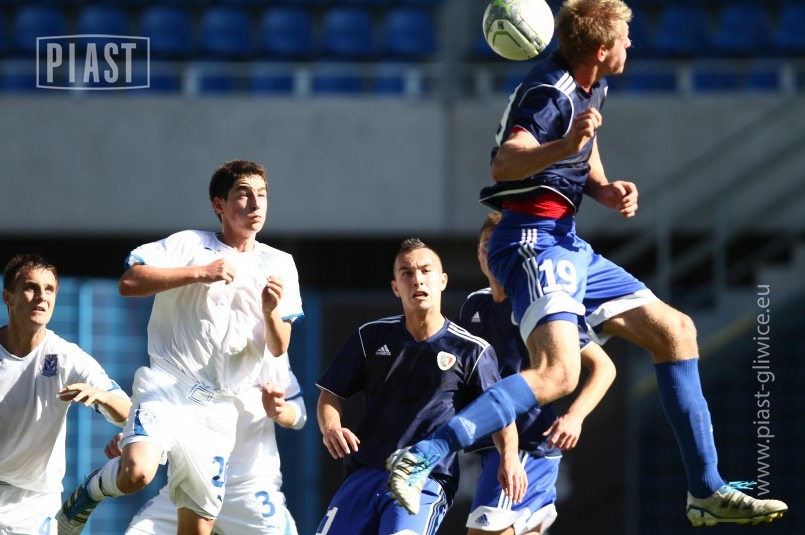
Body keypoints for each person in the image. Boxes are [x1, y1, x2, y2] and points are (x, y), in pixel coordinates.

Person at [387, 0, 787, 527]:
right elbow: (506, 161)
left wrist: (602, 188)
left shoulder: (590, 82)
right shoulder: (550, 91)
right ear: (600, 50)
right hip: (530, 241)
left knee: (676, 332)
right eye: (624, 38)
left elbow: (584, 141)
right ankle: (423, 455)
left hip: (567, 241)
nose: (631, 45)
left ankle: (705, 491)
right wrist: (564, 145)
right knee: (558, 374)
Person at [56, 160, 304, 535]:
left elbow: (279, 345)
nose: (255, 204)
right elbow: (129, 282)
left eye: (262, 195)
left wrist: (270, 311)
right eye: (243, 194)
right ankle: (92, 490)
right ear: (219, 205)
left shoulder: (281, 264)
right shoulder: (188, 243)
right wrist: (201, 272)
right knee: (137, 473)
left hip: (218, 410)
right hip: (168, 386)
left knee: (195, 529)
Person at [315, 238, 524, 534]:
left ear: (442, 281)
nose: (417, 280)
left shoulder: (472, 350)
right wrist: (331, 428)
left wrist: (509, 457)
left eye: (426, 271)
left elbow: (500, 412)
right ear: (395, 287)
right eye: (407, 273)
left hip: (424, 478)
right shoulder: (371, 336)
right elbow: (330, 394)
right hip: (364, 475)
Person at [462, 212, 616, 535]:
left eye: (498, 244)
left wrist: (575, 416)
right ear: (478, 252)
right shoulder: (474, 306)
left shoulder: (538, 303)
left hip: (527, 445)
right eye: (486, 244)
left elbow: (604, 366)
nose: (490, 251)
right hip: (493, 445)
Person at [0, 253, 131, 535]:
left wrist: (102, 397)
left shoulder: (67, 357)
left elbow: (128, 413)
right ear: (7, 297)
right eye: (31, 287)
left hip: (35, 504)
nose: (41, 297)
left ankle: (92, 491)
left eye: (49, 290)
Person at [105, 352, 305, 535]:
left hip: (246, 489)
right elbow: (168, 407)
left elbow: (299, 413)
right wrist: (142, 439)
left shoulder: (266, 344)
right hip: (188, 483)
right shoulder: (183, 342)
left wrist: (279, 410)